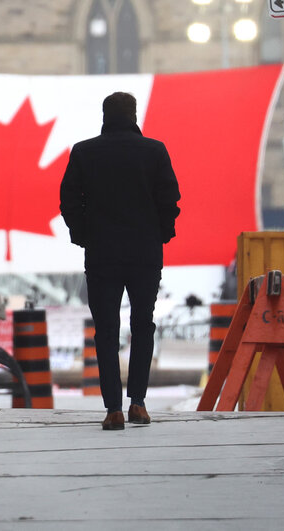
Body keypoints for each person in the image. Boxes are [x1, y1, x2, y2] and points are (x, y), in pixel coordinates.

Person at [59, 92, 180, 431]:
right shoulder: (154, 151)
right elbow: (169, 199)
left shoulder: (84, 152)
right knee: (143, 325)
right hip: (144, 253)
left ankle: (113, 408)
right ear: (133, 115)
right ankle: (138, 403)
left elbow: (69, 200)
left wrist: (83, 234)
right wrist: (162, 234)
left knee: (106, 330)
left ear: (104, 115)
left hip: (102, 254)